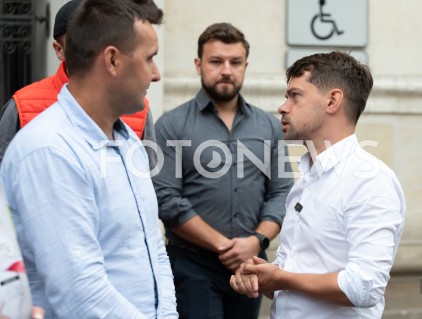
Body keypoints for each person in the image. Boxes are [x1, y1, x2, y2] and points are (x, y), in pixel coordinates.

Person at [0, 0, 178, 317]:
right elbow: (80, 293)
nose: (156, 74)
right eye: (149, 58)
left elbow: (154, 253)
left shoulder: (129, 143)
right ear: (112, 60)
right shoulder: (49, 148)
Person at [230, 51, 406, 319]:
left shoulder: (370, 180)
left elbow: (364, 287)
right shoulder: (307, 178)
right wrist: (262, 276)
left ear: (332, 100)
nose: (283, 106)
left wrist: (281, 278)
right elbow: (298, 271)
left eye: (295, 95)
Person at [153, 22, 293, 318]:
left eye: (235, 62)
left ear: (245, 66)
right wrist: (225, 246)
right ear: (198, 64)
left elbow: (281, 192)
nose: (226, 70)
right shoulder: (171, 125)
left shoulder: (269, 126)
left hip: (252, 264)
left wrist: (256, 241)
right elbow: (165, 198)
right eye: (216, 61)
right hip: (192, 265)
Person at [0, 0, 157, 169]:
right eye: (78, 41)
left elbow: (149, 179)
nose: (90, 47)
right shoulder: (22, 106)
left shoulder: (137, 106)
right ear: (59, 50)